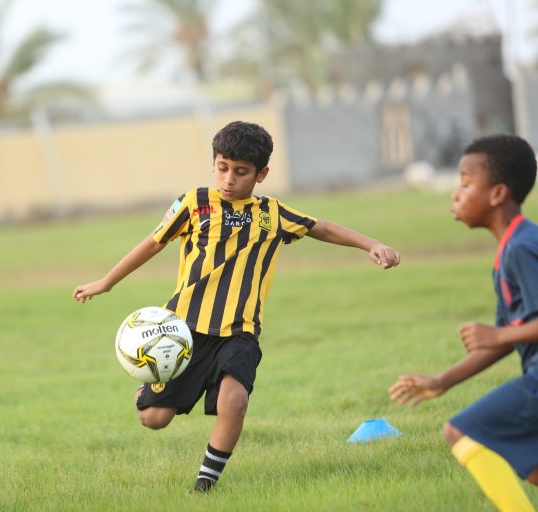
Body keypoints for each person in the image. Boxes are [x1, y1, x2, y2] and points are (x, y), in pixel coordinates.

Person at [73, 120, 401, 492]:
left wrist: (372, 244)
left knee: (235, 400)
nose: (229, 179)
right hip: (183, 331)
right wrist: (106, 282)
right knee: (154, 418)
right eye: (222, 168)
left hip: (240, 333)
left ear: (261, 174)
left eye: (241, 172)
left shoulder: (272, 214)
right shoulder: (194, 203)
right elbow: (153, 242)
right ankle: (145, 389)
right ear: (214, 163)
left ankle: (205, 484)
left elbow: (320, 227)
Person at [389, 134, 538, 511]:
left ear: (498, 194)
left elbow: (501, 336)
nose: (456, 194)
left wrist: (498, 333)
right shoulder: (509, 251)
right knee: (525, 460)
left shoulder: (523, 247)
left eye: (466, 183)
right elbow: (505, 340)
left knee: (465, 432)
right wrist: (441, 381)